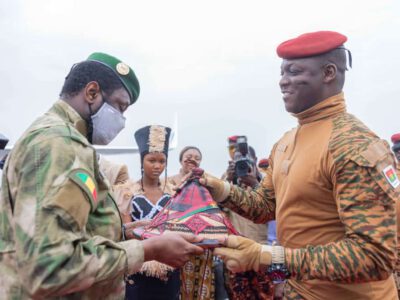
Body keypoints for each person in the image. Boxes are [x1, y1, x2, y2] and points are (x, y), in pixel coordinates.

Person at [202, 31, 399, 299]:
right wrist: (219, 189)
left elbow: (374, 256)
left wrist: (270, 256)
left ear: (329, 73)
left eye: (294, 72)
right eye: (282, 72)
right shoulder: (286, 142)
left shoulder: (353, 145)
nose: (283, 82)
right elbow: (265, 207)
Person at [0, 53, 203, 299]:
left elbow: (66, 231)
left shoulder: (53, 137)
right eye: (119, 107)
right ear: (92, 92)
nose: (122, 120)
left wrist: (124, 231)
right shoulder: (60, 145)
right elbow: (50, 267)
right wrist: (146, 250)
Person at [115, 125, 180, 299]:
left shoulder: (174, 193)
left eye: (162, 161)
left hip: (169, 264)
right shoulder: (127, 192)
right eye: (152, 160)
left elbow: (179, 225)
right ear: (142, 161)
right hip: (138, 265)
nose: (157, 166)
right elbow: (126, 230)